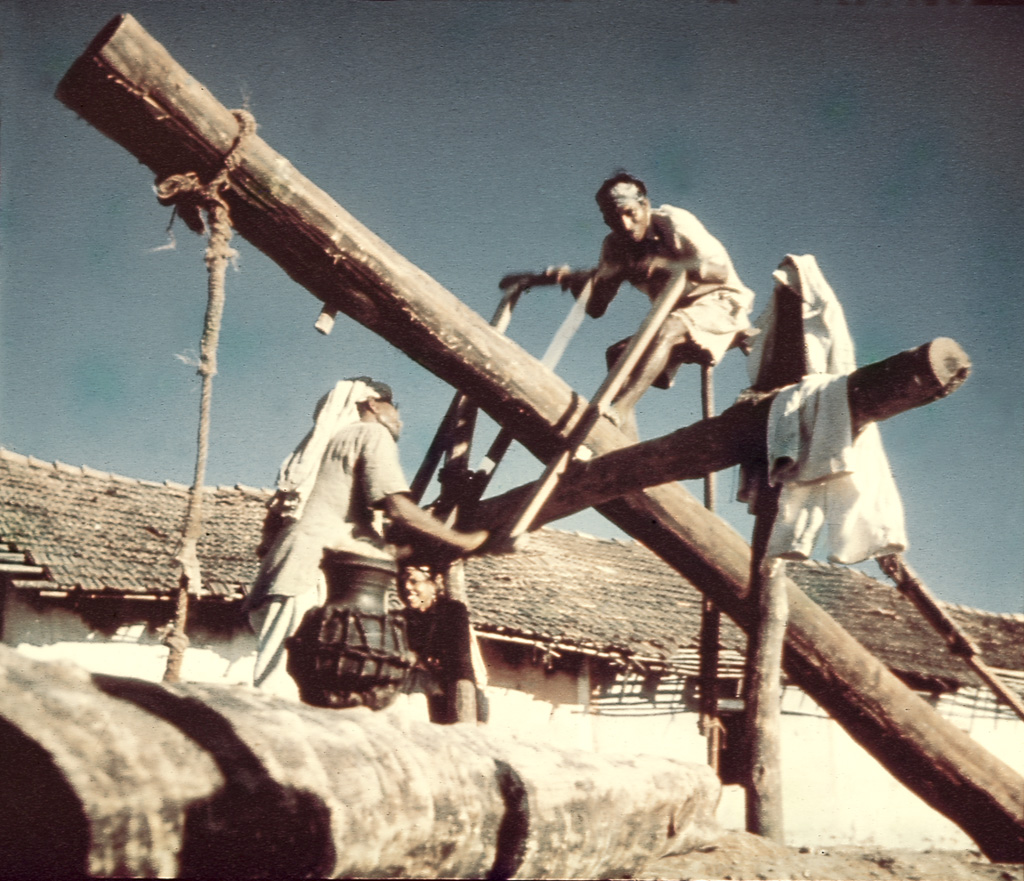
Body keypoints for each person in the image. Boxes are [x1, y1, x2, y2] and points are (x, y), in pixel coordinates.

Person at [243, 377, 487, 706]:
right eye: (395, 409)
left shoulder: (335, 442)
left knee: (297, 684)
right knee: (279, 688)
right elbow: (397, 507)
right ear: (373, 405)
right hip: (307, 571)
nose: (400, 420)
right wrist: (461, 539)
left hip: (294, 568)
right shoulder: (371, 433)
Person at [554, 172, 756, 439]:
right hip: (676, 316)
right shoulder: (615, 246)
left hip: (722, 304)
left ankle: (621, 408)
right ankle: (623, 445)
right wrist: (577, 283)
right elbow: (596, 309)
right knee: (618, 355)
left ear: (645, 205)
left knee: (669, 327)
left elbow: (718, 272)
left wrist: (665, 265)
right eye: (614, 219)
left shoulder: (673, 223)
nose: (625, 225)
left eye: (630, 213)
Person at [398, 564, 478, 724]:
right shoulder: (404, 618)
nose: (407, 587)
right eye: (403, 581)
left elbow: (459, 662)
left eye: (414, 581)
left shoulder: (452, 612)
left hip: (452, 690)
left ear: (434, 584)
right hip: (419, 687)